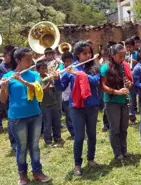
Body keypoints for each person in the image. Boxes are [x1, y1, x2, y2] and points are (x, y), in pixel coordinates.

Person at [0, 47, 51, 185]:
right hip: (17, 117)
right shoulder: (7, 76)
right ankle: (22, 174)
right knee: (21, 147)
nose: (30, 61)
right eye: (27, 59)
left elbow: (37, 88)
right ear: (17, 60)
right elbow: (3, 100)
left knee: (34, 145)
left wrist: (22, 80)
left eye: (31, 58)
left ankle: (37, 172)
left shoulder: (34, 74)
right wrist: (4, 87)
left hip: (35, 114)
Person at [54, 41, 101, 176]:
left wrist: (79, 74)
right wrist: (57, 79)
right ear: (78, 55)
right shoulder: (71, 68)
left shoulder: (94, 67)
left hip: (91, 106)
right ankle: (77, 164)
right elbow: (60, 88)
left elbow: (95, 81)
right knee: (79, 137)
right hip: (76, 107)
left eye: (89, 53)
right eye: (84, 53)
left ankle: (91, 159)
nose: (88, 55)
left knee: (92, 135)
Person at [100, 44, 133, 160]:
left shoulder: (124, 66)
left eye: (124, 56)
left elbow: (130, 81)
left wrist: (129, 84)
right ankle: (117, 153)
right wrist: (116, 92)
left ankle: (124, 150)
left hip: (124, 100)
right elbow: (102, 86)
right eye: (120, 56)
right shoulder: (105, 67)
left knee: (124, 128)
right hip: (112, 102)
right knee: (115, 129)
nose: (123, 59)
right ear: (113, 55)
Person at [36, 60, 64, 146]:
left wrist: (55, 80)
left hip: (54, 103)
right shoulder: (38, 80)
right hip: (45, 105)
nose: (45, 70)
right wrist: (50, 82)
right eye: (42, 68)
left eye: (45, 68)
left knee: (57, 122)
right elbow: (43, 90)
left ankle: (57, 137)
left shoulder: (49, 77)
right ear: (38, 70)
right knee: (47, 124)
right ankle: (48, 140)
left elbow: (57, 89)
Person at [0, 45, 17, 152]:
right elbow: (2, 84)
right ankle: (14, 143)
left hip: (19, 96)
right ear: (5, 56)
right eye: (11, 55)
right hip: (8, 98)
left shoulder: (16, 65)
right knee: (11, 120)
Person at [60, 52, 75, 138]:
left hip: (75, 97)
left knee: (75, 116)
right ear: (64, 63)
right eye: (67, 61)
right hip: (66, 98)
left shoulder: (75, 69)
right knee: (69, 116)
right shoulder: (61, 72)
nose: (69, 63)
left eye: (70, 61)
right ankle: (73, 133)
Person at [125, 38, 139, 125]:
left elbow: (140, 63)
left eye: (130, 47)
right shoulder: (125, 55)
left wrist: (134, 61)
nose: (128, 49)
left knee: (133, 96)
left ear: (134, 47)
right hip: (127, 76)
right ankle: (130, 115)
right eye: (127, 47)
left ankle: (133, 112)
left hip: (135, 76)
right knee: (129, 96)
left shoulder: (136, 54)